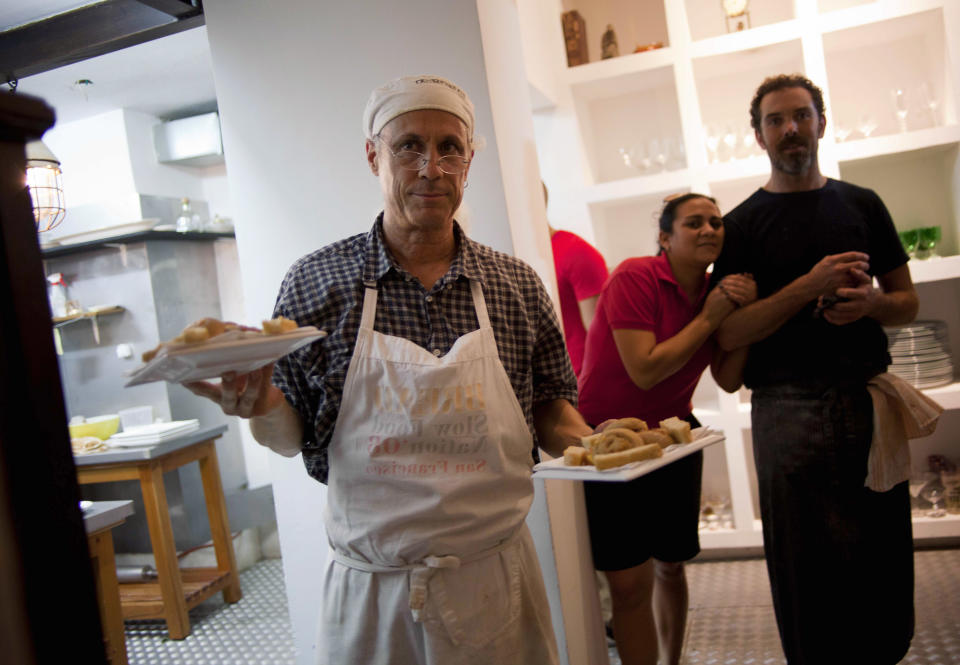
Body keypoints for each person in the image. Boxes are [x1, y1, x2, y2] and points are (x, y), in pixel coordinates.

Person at [186, 75, 595, 665]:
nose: (431, 167)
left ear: (469, 161)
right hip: (372, 596)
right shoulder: (316, 284)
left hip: (494, 580)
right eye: (409, 145)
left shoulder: (514, 285)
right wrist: (260, 406)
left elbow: (552, 407)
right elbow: (289, 435)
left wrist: (602, 446)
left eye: (450, 147)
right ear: (374, 155)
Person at [710, 74, 919, 665]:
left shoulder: (863, 204)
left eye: (801, 115)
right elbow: (728, 333)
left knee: (881, 555)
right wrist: (810, 286)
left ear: (821, 123)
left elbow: (907, 302)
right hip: (784, 408)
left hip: (867, 400)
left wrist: (873, 304)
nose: (791, 129)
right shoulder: (742, 225)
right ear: (759, 136)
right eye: (776, 120)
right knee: (804, 570)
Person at [577, 193, 756, 665]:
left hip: (674, 435)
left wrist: (740, 321)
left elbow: (730, 378)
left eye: (716, 222)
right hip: (608, 437)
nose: (709, 229)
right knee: (629, 582)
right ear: (664, 237)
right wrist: (713, 318)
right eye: (693, 223)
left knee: (672, 567)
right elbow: (645, 370)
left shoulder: (716, 290)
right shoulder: (636, 276)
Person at [544, 182, 609, 376]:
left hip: (582, 379)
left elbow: (600, 335)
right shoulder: (520, 258)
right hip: (547, 381)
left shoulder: (576, 252)